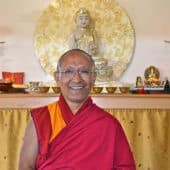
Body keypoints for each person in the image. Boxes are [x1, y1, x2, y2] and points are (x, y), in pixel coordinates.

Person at [19, 49, 136, 170]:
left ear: (94, 78)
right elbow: (25, 166)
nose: (76, 79)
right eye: (68, 71)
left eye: (84, 71)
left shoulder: (109, 125)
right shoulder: (41, 118)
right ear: (57, 78)